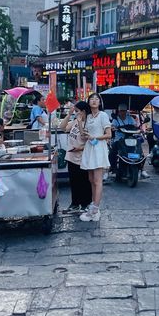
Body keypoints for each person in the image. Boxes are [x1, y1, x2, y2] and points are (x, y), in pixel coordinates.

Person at [79, 93, 112, 222]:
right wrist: (79, 121)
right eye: (91, 99)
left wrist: (95, 137)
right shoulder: (87, 117)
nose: (94, 101)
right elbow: (83, 136)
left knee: (98, 180)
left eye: (96, 99)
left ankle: (95, 209)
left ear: (100, 102)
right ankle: (94, 207)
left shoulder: (103, 115)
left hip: (99, 148)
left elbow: (108, 134)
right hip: (89, 148)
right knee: (91, 179)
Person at [59, 101, 92, 214]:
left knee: (84, 182)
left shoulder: (88, 124)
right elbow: (62, 127)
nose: (76, 113)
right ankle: (75, 203)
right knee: (74, 182)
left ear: (83, 112)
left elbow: (89, 141)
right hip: (71, 156)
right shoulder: (74, 122)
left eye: (77, 111)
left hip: (82, 157)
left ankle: (85, 204)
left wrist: (79, 149)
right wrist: (69, 115)